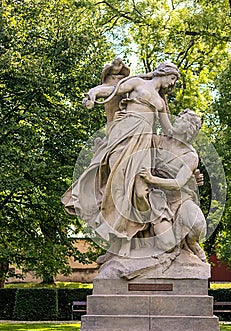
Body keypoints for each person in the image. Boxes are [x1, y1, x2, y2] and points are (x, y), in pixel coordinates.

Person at [62, 61, 180, 257]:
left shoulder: (160, 103)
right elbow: (112, 90)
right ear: (165, 73)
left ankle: (131, 240)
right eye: (173, 78)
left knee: (138, 191)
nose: (172, 84)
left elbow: (170, 131)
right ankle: (119, 245)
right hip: (123, 135)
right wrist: (93, 93)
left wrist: (188, 128)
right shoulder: (137, 83)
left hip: (142, 146)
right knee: (117, 187)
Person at [139, 109, 206, 259]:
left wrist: (151, 179)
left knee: (198, 224)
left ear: (188, 127)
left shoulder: (190, 156)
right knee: (168, 245)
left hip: (181, 199)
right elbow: (160, 107)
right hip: (159, 198)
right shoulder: (160, 139)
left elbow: (178, 183)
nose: (176, 119)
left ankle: (192, 243)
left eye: (181, 119)